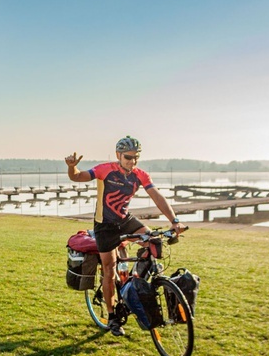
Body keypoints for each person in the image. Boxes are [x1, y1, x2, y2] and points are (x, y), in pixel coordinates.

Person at [65, 136, 187, 336]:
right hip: (104, 225)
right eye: (128, 157)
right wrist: (72, 167)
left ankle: (133, 282)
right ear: (118, 155)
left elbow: (157, 196)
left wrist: (174, 221)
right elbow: (78, 177)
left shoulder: (140, 175)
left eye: (136, 158)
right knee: (109, 267)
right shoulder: (106, 169)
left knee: (154, 241)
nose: (132, 161)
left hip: (125, 219)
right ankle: (113, 316)